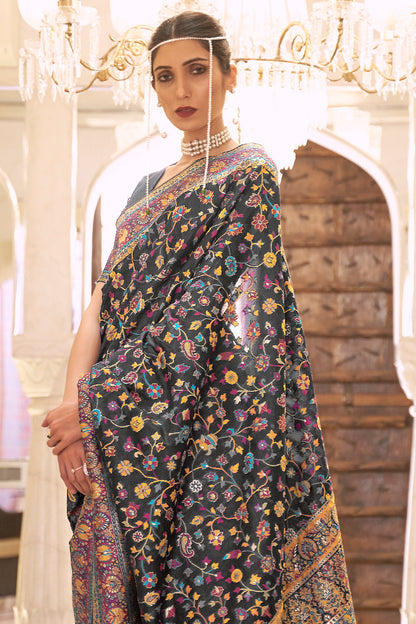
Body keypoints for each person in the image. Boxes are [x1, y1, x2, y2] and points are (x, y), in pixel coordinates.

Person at [43, 10, 356, 624]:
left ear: (229, 77)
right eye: (164, 77)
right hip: (120, 421)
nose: (181, 90)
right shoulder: (143, 190)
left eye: (196, 70)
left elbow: (205, 311)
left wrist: (98, 406)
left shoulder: (250, 173)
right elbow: (102, 304)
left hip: (198, 420)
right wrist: (75, 413)